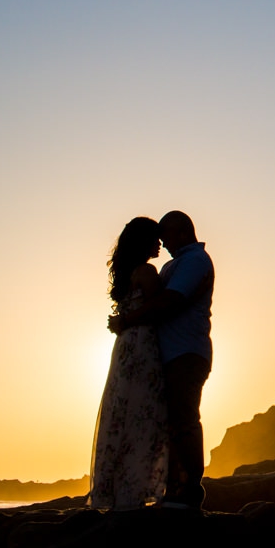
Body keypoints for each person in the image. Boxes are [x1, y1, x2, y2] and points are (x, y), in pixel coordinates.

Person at [108, 210, 215, 509]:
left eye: (165, 236)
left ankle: (190, 490)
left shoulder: (194, 261)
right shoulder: (171, 265)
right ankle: (171, 489)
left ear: (182, 232)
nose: (162, 243)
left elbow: (170, 302)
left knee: (184, 420)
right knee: (165, 423)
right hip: (164, 354)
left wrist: (127, 319)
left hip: (186, 352)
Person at [88, 216, 169, 510]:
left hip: (125, 350)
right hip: (143, 350)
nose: (160, 244)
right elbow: (161, 309)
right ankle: (134, 489)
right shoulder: (147, 272)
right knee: (144, 415)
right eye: (155, 238)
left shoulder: (128, 274)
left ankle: (119, 490)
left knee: (123, 413)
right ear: (144, 241)